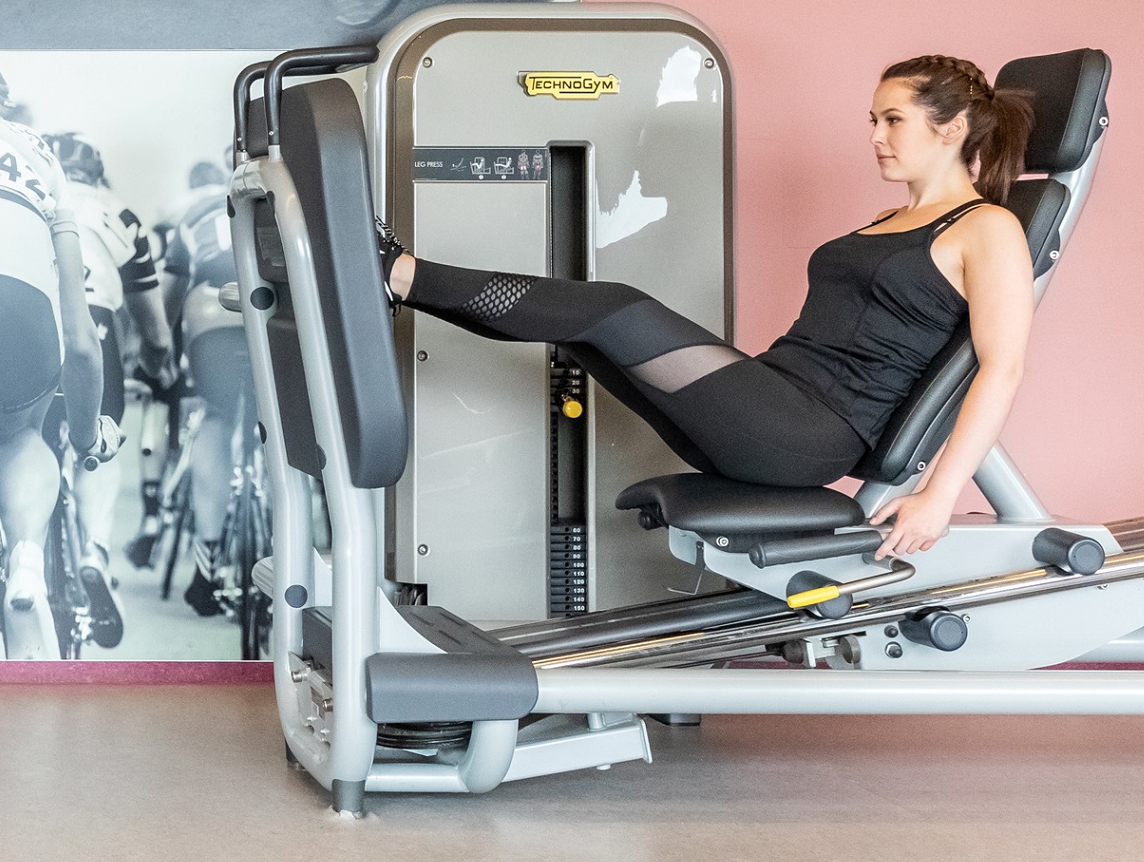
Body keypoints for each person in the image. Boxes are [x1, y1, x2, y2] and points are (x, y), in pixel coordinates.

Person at [384, 57, 1036, 557]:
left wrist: (938, 496)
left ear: (951, 128)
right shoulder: (890, 220)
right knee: (585, 333)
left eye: (893, 120)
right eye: (872, 120)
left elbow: (1001, 367)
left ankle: (401, 273)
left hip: (808, 434)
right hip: (774, 399)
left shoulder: (987, 227)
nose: (875, 136)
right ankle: (398, 286)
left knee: (616, 308)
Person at [0, 62, 111, 659]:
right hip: (20, 307)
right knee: (17, 436)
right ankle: (26, 557)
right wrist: (83, 439)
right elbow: (80, 340)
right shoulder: (37, 151)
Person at [49, 134, 170, 600]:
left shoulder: (35, 191)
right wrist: (154, 367)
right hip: (93, 320)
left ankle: (18, 552)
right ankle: (95, 548)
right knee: (102, 439)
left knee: (19, 439)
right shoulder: (118, 213)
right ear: (97, 175)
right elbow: (155, 329)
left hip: (34, 315)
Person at [164, 158, 260, 617]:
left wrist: (163, 354)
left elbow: (170, 294)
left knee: (216, 416)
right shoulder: (289, 198)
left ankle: (206, 568)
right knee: (284, 421)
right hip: (273, 307)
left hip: (210, 309)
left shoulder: (196, 211)